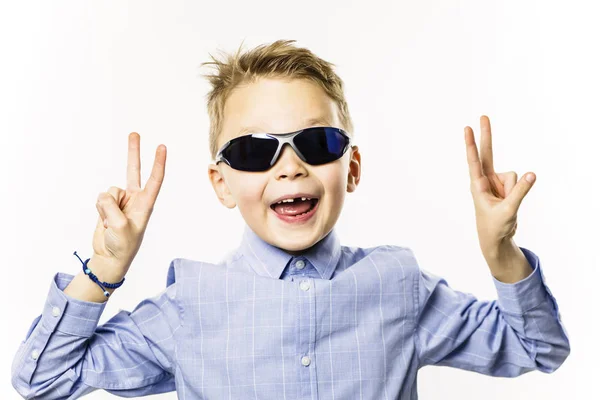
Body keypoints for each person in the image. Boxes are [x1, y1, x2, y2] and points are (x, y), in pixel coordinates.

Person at [11, 39, 570, 399]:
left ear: (350, 168)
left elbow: (540, 348)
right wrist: (104, 269)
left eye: (317, 142)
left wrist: (503, 255)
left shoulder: (399, 287)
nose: (290, 167)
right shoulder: (191, 306)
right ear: (222, 183)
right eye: (256, 151)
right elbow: (40, 379)